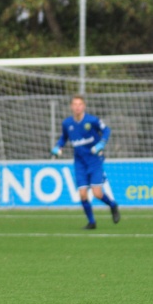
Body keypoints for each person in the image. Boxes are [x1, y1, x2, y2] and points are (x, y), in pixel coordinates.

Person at [51, 95, 120, 229]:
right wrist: (58, 147)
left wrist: (101, 143)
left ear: (84, 106)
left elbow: (106, 130)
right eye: (75, 104)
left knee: (97, 193)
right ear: (71, 107)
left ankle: (113, 205)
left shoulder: (92, 120)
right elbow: (64, 138)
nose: (77, 107)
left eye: (80, 104)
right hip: (79, 162)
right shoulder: (67, 123)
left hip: (95, 160)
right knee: (82, 194)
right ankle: (92, 222)